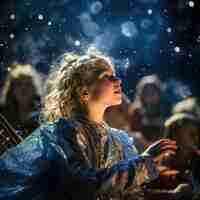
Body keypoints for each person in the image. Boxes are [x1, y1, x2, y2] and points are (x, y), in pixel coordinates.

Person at [0, 51, 177, 200]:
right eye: (107, 76)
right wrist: (143, 161)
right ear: (84, 91)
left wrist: (173, 195)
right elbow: (83, 185)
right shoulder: (64, 132)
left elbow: (129, 193)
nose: (118, 80)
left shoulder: (119, 139)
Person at [128, 75, 169, 152]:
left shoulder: (165, 109)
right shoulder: (136, 111)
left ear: (159, 92)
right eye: (147, 92)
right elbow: (132, 133)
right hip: (142, 149)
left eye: (153, 91)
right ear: (141, 94)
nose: (150, 95)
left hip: (163, 147)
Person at [0, 63, 43, 136]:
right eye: (19, 84)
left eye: (28, 84)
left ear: (34, 88)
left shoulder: (42, 114)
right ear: (11, 88)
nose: (23, 88)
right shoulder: (2, 115)